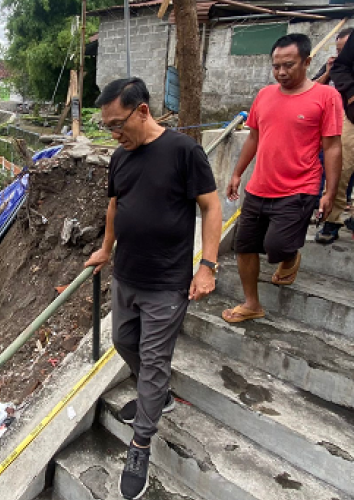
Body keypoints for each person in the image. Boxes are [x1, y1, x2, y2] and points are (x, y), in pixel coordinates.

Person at [85, 77, 222, 499]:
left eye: (117, 123)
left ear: (142, 110)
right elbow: (114, 205)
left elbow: (211, 205)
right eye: (106, 126)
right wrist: (106, 249)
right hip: (127, 275)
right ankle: (156, 395)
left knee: (154, 359)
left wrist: (208, 266)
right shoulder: (120, 159)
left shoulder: (183, 151)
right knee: (124, 340)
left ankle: (141, 443)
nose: (113, 133)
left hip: (166, 283)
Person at [223, 34, 343, 323]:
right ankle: (252, 303)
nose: (280, 72)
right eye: (275, 66)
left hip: (299, 189)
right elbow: (253, 136)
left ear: (307, 62)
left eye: (288, 65)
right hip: (259, 186)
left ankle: (290, 257)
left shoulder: (326, 97)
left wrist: (330, 192)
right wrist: (237, 173)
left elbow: (333, 146)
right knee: (245, 246)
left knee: (276, 247)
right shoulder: (264, 95)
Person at [323, 28, 354, 241]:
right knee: (342, 167)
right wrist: (351, 93)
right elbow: (340, 68)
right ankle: (332, 220)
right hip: (353, 115)